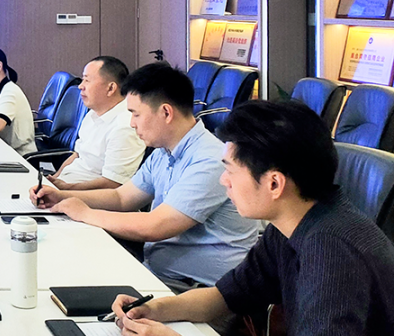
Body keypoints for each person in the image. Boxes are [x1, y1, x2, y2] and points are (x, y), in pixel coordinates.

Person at [111, 100, 394, 336]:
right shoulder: (292, 224)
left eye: (230, 170)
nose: (224, 180)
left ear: (274, 183)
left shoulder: (333, 251)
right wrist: (155, 309)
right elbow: (226, 296)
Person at [34, 61, 258, 289]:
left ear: (166, 112)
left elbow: (156, 225)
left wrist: (85, 213)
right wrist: (62, 196)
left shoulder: (210, 159)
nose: (132, 124)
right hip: (158, 273)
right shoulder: (163, 151)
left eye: (136, 114)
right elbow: (122, 198)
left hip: (197, 289)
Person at [47, 56, 146, 191]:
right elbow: (77, 155)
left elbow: (114, 183)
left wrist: (66, 189)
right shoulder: (92, 114)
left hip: (85, 196)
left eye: (87, 80)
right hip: (66, 187)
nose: (80, 86)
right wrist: (53, 180)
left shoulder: (125, 126)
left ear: (111, 88)